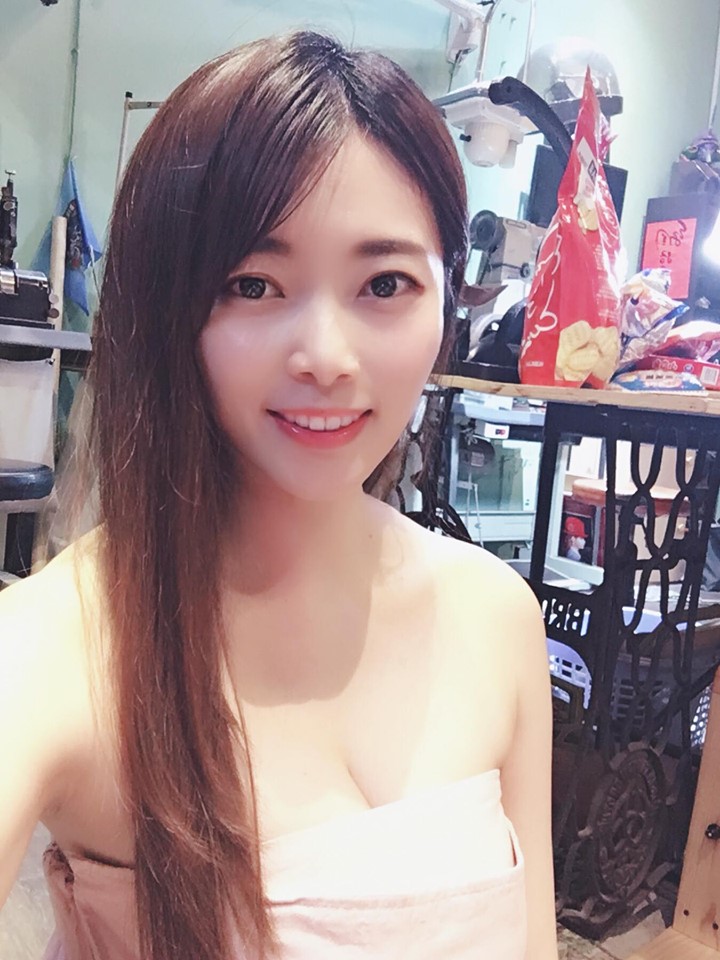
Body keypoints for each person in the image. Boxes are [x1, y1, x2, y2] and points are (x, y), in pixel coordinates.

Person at [0, 30, 558, 960]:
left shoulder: (498, 616)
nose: (327, 358)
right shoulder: (60, 648)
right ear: (166, 310)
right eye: (253, 285)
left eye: (385, 283)